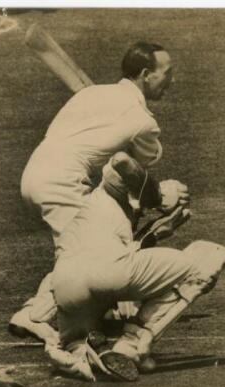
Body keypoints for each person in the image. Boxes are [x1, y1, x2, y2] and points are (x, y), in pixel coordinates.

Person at [9, 42, 176, 342]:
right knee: (90, 254)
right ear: (146, 74)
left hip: (34, 172)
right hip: (64, 181)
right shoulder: (143, 122)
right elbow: (138, 165)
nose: (171, 81)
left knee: (81, 250)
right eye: (167, 73)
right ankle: (35, 316)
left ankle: (74, 312)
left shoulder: (91, 93)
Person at [47, 153, 225, 381]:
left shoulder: (97, 210)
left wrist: (156, 227)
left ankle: (78, 353)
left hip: (65, 286)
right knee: (203, 262)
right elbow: (123, 162)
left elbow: (124, 256)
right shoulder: (112, 187)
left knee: (77, 341)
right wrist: (158, 195)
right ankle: (133, 345)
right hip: (105, 275)